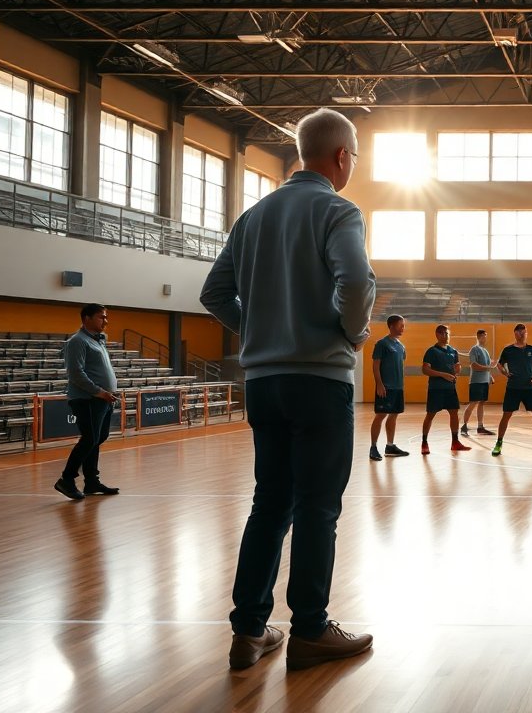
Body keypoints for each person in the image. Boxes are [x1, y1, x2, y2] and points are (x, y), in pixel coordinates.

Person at [201, 108, 375, 672]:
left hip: (263, 382)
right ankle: (309, 631)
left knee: (269, 504)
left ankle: (249, 631)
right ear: (342, 156)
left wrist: (258, 331)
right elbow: (354, 279)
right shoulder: (337, 209)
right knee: (318, 508)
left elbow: (213, 293)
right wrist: (351, 333)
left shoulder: (252, 218)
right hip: (318, 381)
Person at [53, 303, 121, 501]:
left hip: (102, 398)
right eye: (101, 317)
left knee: (98, 438)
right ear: (87, 318)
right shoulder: (77, 341)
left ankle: (91, 481)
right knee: (90, 438)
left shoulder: (98, 341)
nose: (105, 321)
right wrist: (99, 392)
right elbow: (75, 373)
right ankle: (66, 479)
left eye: (106, 317)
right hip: (88, 399)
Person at [492, 323, 532, 457]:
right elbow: (499, 364)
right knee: (506, 415)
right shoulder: (508, 350)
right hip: (513, 388)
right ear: (515, 333)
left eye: (524, 332)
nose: (522, 334)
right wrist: (505, 373)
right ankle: (499, 443)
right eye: (520, 332)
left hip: (529, 388)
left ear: (526, 334)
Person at [420, 324, 471, 455]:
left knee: (454, 413)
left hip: (450, 389)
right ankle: (424, 443)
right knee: (430, 415)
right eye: (443, 333)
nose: (446, 336)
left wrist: (457, 369)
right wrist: (443, 374)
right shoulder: (431, 351)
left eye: (448, 333)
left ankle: (455, 442)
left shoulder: (453, 351)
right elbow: (425, 369)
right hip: (436, 389)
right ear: (437, 335)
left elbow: (456, 366)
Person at [368, 315, 409, 461]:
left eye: (404, 325)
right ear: (391, 326)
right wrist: (379, 384)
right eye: (401, 325)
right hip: (385, 387)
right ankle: (373, 447)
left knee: (394, 415)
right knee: (380, 415)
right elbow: (376, 365)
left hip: (398, 387)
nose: (403, 328)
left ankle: (390, 446)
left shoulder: (401, 346)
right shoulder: (382, 344)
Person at [461, 329, 496, 437]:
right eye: (484, 336)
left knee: (481, 403)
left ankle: (480, 427)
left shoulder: (485, 351)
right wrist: (489, 368)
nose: (486, 338)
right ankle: (464, 426)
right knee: (473, 403)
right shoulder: (474, 349)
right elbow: (474, 365)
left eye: (486, 335)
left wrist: (490, 376)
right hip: (476, 381)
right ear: (479, 336)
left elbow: (487, 366)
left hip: (485, 381)